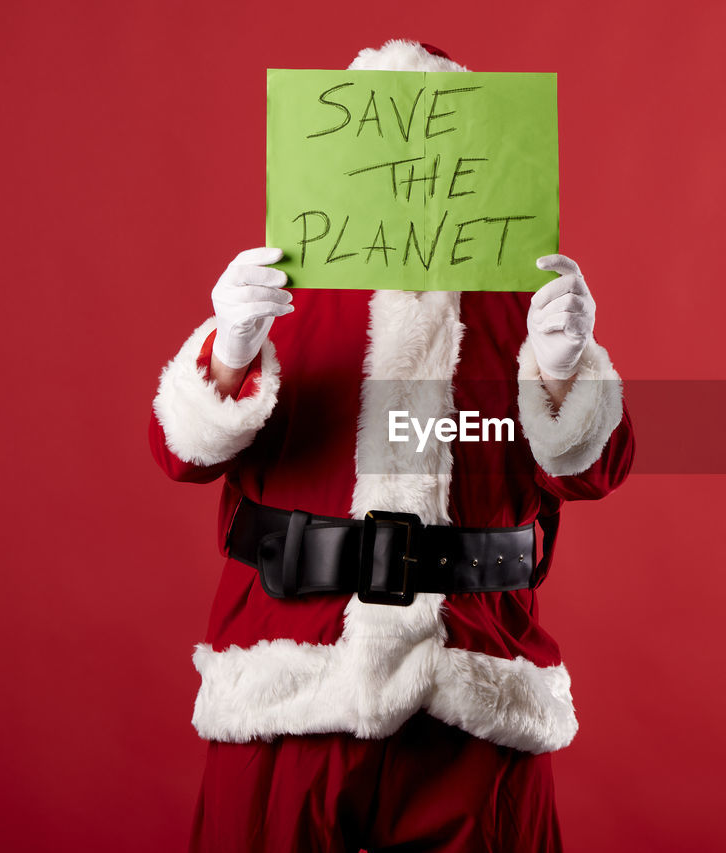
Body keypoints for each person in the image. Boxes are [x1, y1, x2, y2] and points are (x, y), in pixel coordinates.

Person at [149, 39, 634, 852]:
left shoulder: (530, 295)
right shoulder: (283, 283)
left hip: (473, 684)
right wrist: (229, 348)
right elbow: (180, 453)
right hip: (290, 679)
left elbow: (600, 469)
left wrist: (564, 374)